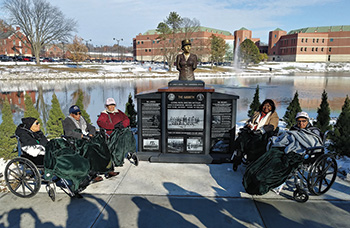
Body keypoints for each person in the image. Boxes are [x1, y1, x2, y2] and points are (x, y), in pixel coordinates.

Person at [243, 111, 323, 195]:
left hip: (302, 151)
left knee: (282, 164)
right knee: (271, 156)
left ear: (307, 121)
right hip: (288, 148)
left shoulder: (313, 131)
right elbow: (288, 138)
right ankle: (254, 174)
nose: (301, 123)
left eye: (304, 121)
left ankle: (269, 182)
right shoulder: (294, 129)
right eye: (299, 121)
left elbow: (314, 142)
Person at [62, 105, 118, 182]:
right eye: (76, 114)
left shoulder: (82, 119)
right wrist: (81, 136)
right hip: (78, 142)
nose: (78, 115)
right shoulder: (67, 121)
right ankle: (93, 174)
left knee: (102, 145)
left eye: (79, 113)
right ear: (71, 114)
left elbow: (91, 127)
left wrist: (91, 133)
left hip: (88, 138)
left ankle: (108, 169)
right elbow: (68, 133)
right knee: (91, 149)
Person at [232, 99, 279, 171]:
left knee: (253, 143)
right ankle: (238, 157)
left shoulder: (273, 115)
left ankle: (250, 161)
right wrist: (249, 125)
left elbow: (272, 126)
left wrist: (261, 130)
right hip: (251, 132)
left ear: (272, 107)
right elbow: (249, 121)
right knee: (241, 140)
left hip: (262, 134)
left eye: (268, 106)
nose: (266, 107)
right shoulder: (257, 113)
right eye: (265, 105)